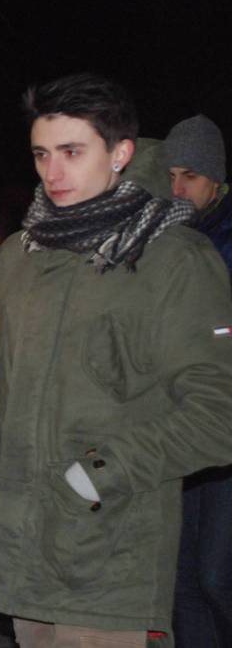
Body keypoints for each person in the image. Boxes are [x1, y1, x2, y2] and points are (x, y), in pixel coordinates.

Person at [0, 73, 232, 647]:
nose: (53, 173)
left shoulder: (173, 259)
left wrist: (98, 475)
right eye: (42, 154)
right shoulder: (21, 255)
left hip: (109, 554)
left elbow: (218, 414)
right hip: (19, 543)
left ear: (120, 153)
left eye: (73, 152)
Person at [165, 114, 232, 647]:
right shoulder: (171, 240)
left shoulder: (222, 241)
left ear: (215, 179)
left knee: (216, 575)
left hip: (223, 428)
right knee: (182, 579)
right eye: (171, 175)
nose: (178, 188)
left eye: (190, 175)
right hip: (177, 425)